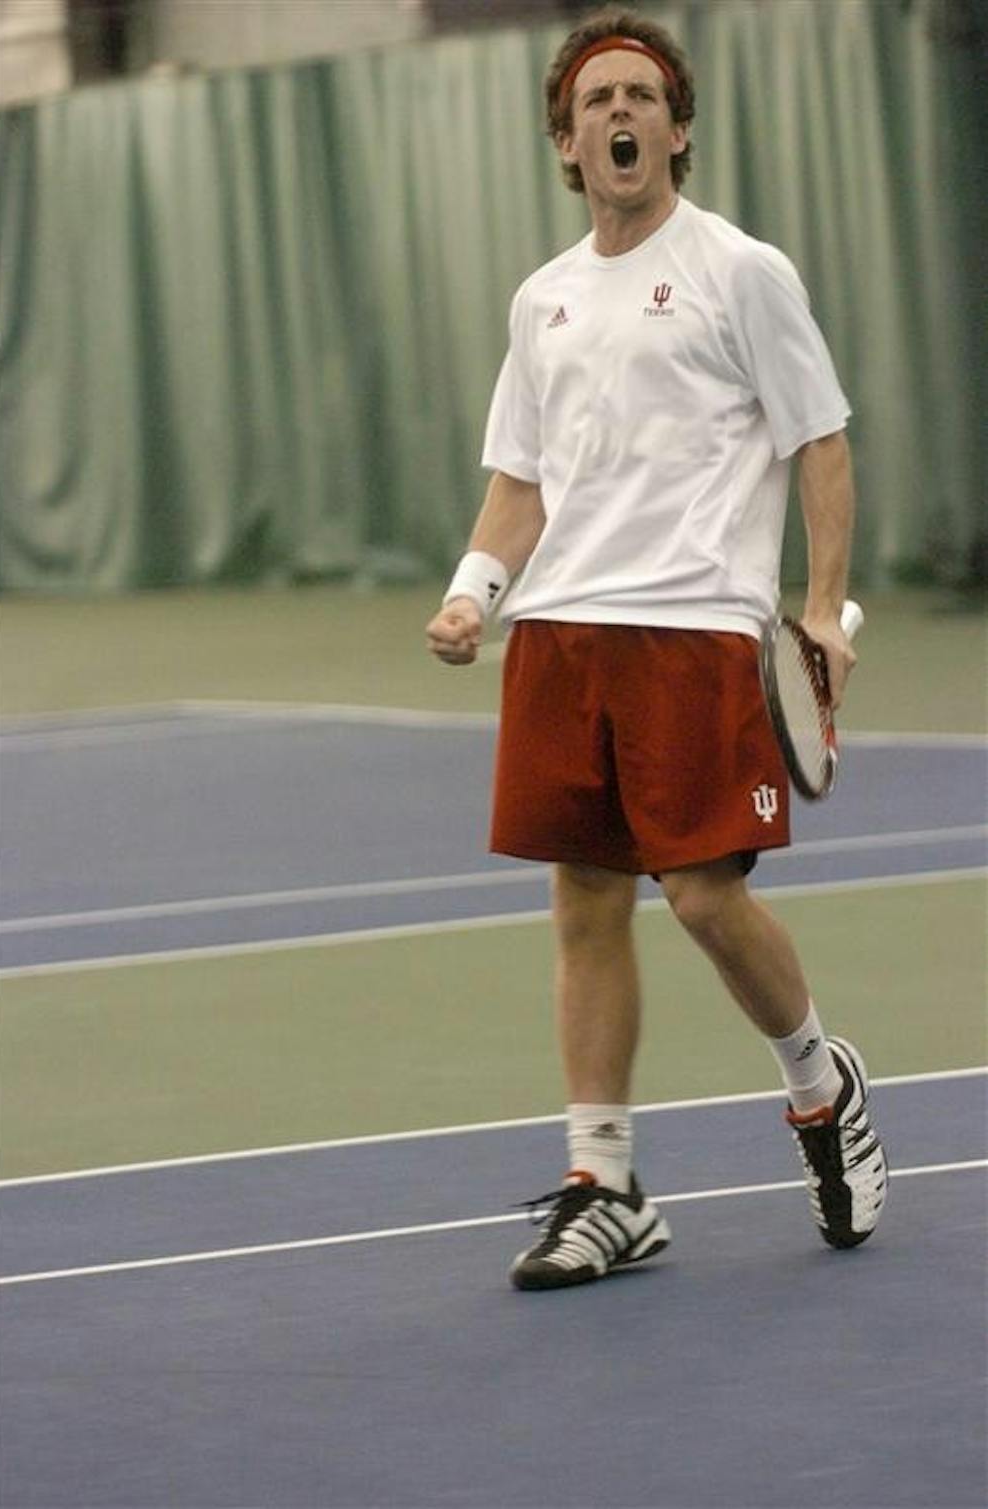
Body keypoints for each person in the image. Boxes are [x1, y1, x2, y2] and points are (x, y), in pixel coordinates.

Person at [425, 6, 887, 1290]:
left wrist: (817, 609)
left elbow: (821, 440)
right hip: (561, 635)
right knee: (583, 901)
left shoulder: (743, 271)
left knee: (699, 896)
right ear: (566, 145)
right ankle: (604, 1182)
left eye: (639, 97)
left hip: (691, 628)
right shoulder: (544, 301)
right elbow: (518, 480)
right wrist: (476, 591)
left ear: (677, 129)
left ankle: (817, 1081)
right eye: (593, 103)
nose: (616, 115)